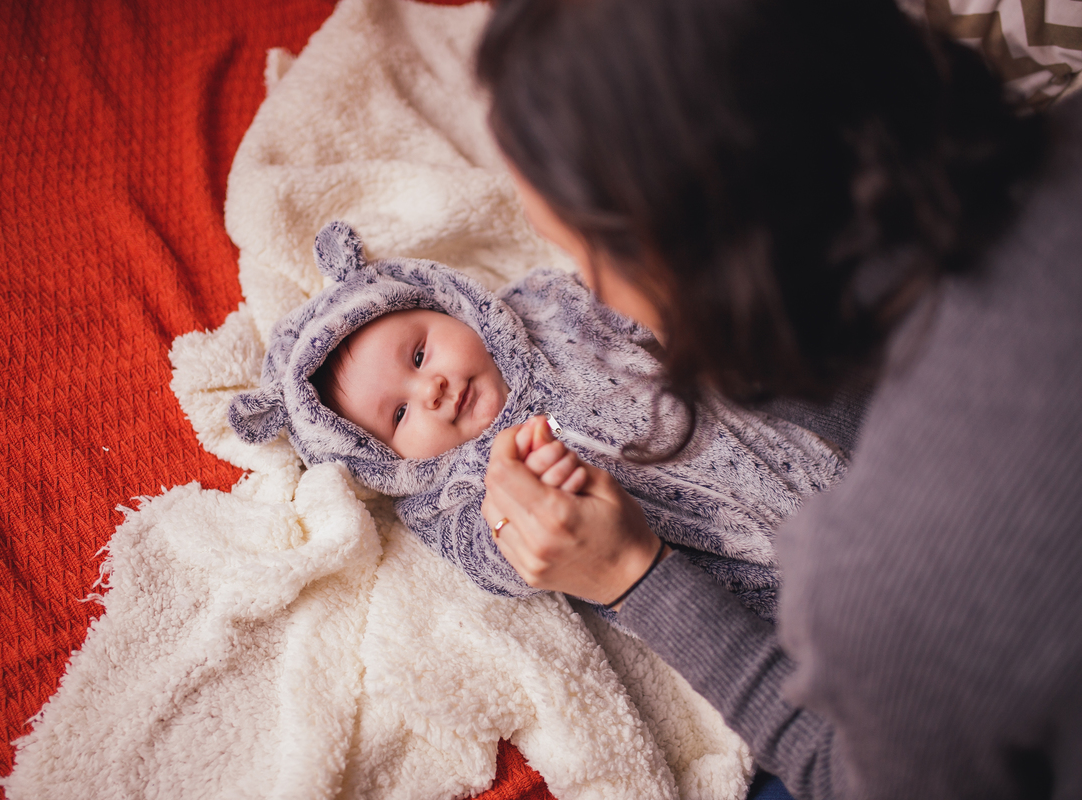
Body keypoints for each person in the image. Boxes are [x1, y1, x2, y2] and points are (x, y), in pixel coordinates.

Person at [474, 0, 1082, 797]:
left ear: (702, 260)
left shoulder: (876, 584)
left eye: (580, 254)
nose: (585, 292)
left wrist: (636, 577)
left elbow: (849, 777)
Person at [228, 220, 848, 617]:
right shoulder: (457, 494)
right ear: (382, 461)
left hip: (781, 449)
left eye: (419, 355)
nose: (434, 390)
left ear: (446, 305)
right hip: (747, 585)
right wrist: (514, 515)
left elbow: (645, 312)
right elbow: (494, 562)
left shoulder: (549, 309)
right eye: (399, 414)